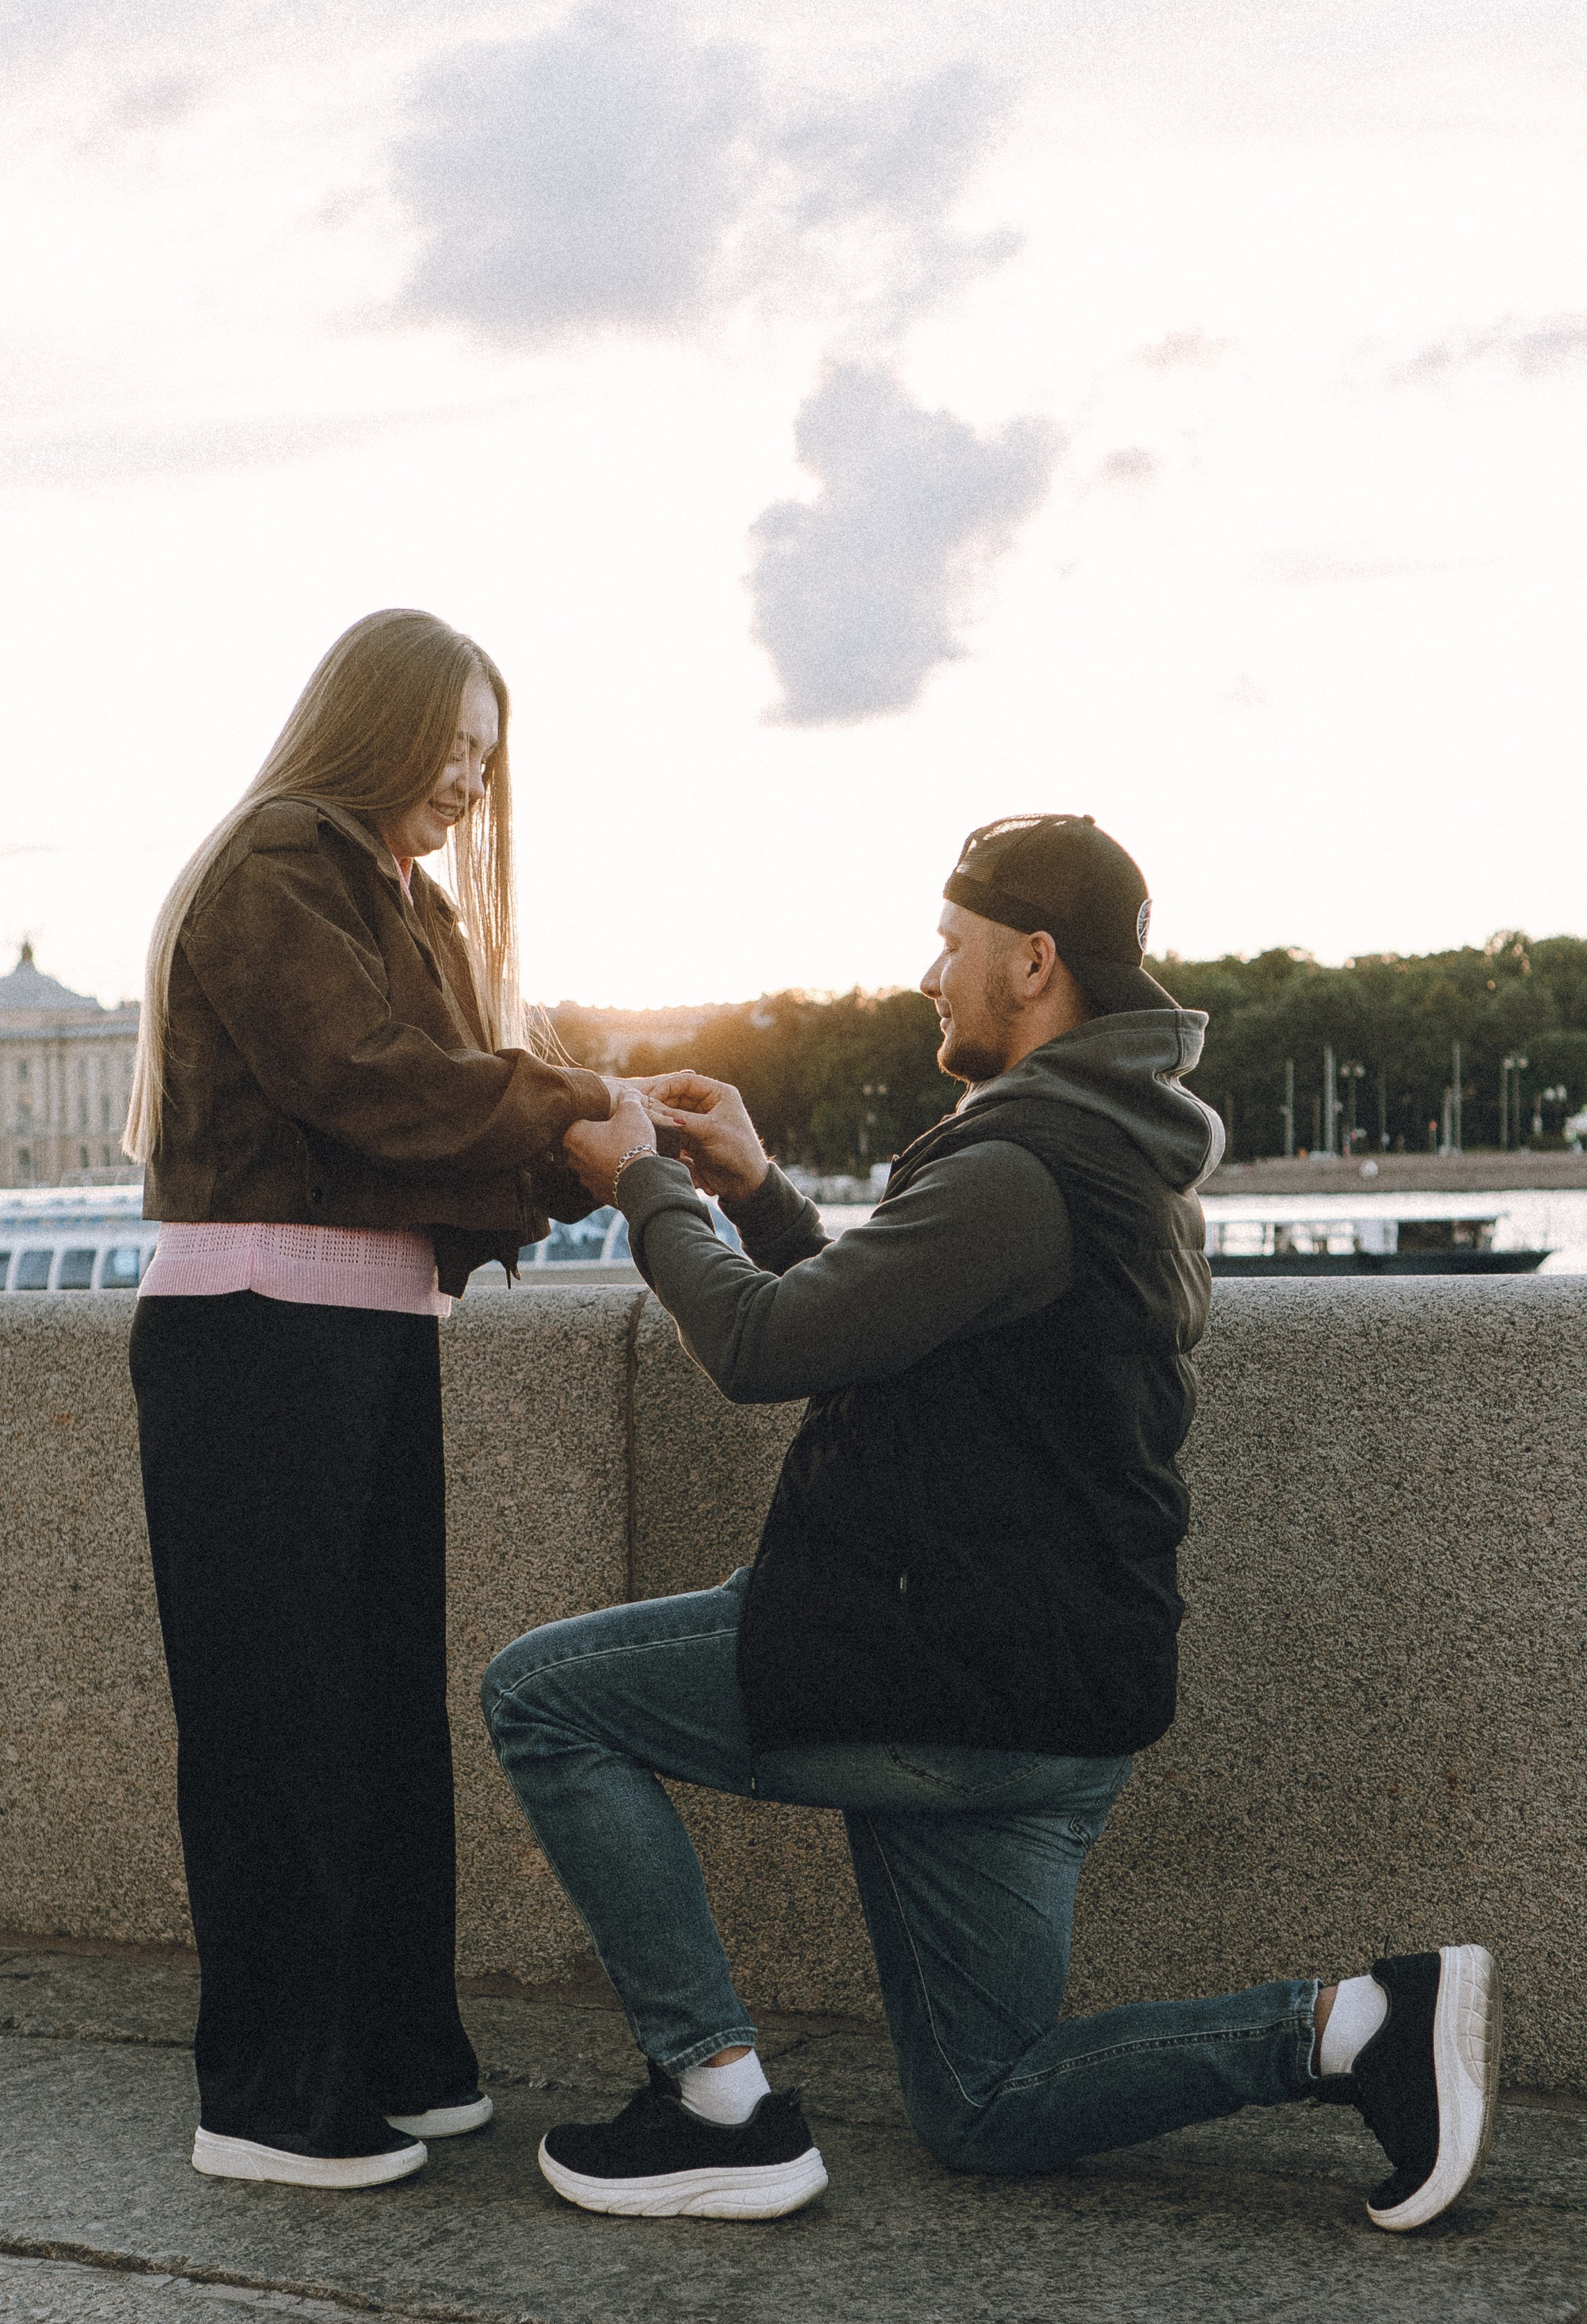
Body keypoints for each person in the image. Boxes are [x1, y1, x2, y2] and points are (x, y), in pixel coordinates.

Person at [482, 815, 1501, 2230]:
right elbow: (902, 1326)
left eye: (948, 947)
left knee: (542, 1697)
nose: (925, 976)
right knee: (984, 2101)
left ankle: (714, 2105)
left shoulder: (1019, 1166)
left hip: (941, 1670)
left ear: (1028, 961)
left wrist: (643, 1184)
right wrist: (761, 1194)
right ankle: (1348, 2028)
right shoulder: (1100, 1152)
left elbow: (762, 1351)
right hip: (1051, 1694)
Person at [125, 608, 617, 2191]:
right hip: (255, 1336)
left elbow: (433, 1140)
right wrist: (575, 1112)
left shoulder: (390, 893)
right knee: (281, 1727)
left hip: (360, 1333)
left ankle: (398, 2049)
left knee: (380, 1715)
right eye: (449, 748)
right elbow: (371, 1085)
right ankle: (268, 2099)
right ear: (374, 728)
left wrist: (591, 1135)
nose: (470, 781)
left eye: (488, 755)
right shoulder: (276, 861)